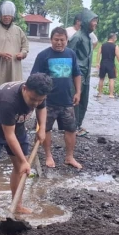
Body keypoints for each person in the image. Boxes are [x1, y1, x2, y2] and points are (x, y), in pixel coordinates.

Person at [0, 75, 51, 221]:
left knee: (19, 168)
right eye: (32, 99)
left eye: (40, 99)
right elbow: (9, 135)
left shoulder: (39, 92)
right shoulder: (8, 100)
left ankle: (17, 205)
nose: (36, 103)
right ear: (24, 89)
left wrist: (42, 128)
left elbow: (42, 108)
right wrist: (24, 161)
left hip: (17, 127)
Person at [31, 27, 82, 170]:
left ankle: (69, 157)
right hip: (47, 102)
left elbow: (77, 74)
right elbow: (34, 78)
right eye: (56, 40)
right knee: (45, 129)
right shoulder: (43, 55)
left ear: (66, 40)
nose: (59, 43)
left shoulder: (71, 54)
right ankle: (48, 155)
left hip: (67, 100)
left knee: (71, 129)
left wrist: (78, 92)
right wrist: (36, 99)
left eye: (62, 40)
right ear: (51, 39)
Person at [67, 8, 98, 137]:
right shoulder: (77, 37)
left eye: (96, 21)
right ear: (86, 22)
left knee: (84, 101)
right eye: (93, 21)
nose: (96, 23)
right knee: (76, 100)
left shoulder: (89, 37)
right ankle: (73, 126)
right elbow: (69, 56)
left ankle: (78, 125)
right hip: (77, 76)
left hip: (86, 75)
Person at [95, 32, 119, 98]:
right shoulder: (115, 46)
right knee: (111, 79)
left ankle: (100, 93)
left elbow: (98, 54)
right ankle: (111, 94)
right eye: (115, 38)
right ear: (113, 38)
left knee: (101, 78)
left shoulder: (102, 45)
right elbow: (117, 55)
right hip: (111, 64)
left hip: (103, 63)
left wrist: (97, 63)